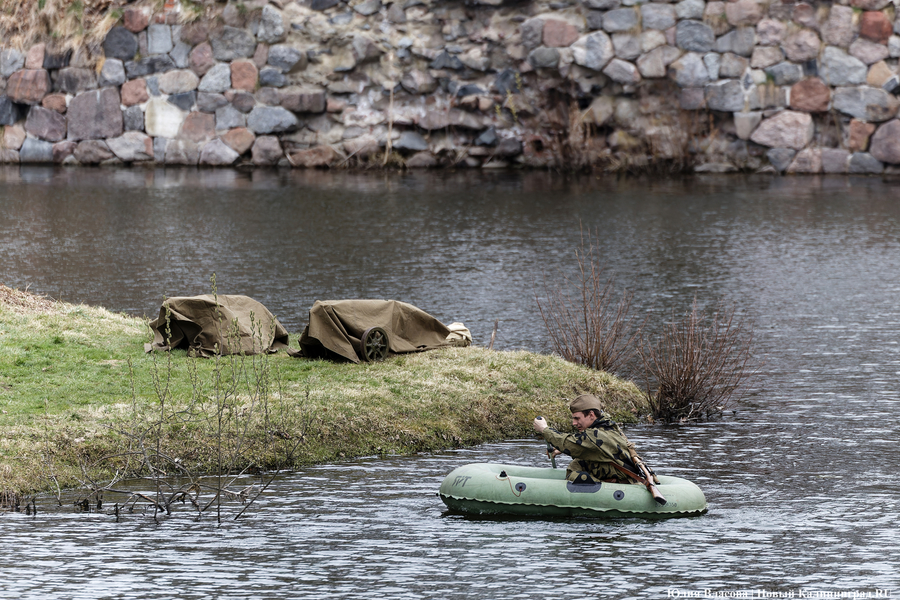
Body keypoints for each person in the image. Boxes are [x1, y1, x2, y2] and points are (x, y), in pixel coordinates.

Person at [532, 393, 645, 485]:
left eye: (577, 418)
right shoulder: (608, 426)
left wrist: (544, 429)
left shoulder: (595, 435)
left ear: (591, 415)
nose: (574, 423)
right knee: (578, 463)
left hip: (621, 485)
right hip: (624, 476)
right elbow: (588, 446)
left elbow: (569, 443)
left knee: (575, 475)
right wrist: (561, 449)